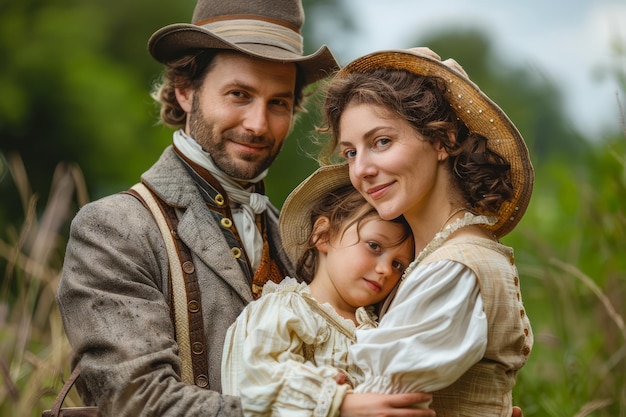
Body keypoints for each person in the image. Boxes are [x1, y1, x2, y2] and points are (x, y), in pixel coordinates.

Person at [55, 0, 434, 416]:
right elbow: (137, 401)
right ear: (186, 90)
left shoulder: (309, 236)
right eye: (239, 94)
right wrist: (328, 410)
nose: (257, 124)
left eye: (278, 103)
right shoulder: (113, 228)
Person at [317, 47, 534, 416]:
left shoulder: (455, 268)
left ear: (442, 140)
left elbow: (382, 403)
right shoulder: (437, 260)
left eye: (381, 141)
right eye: (351, 152)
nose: (362, 170)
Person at [221, 164, 415, 416]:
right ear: (322, 235)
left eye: (398, 264)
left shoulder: (381, 328)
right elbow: (257, 377)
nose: (386, 270)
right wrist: (337, 401)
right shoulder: (287, 310)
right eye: (374, 246)